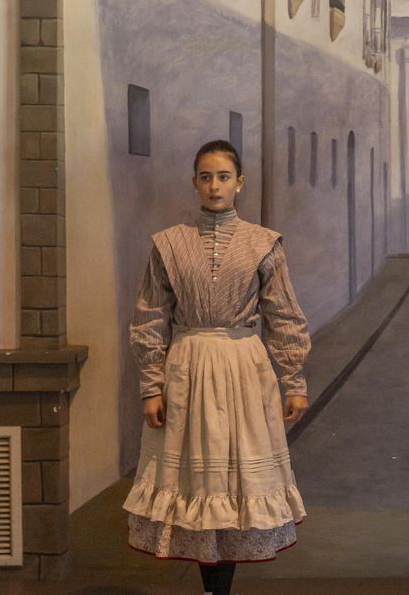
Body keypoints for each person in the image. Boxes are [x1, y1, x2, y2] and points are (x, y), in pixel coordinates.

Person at [124, 140, 311, 595]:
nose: (214, 186)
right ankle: (211, 590)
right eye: (205, 177)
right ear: (194, 183)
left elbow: (284, 315)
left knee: (236, 481)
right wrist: (151, 386)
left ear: (239, 183)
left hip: (244, 370)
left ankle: (222, 588)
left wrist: (294, 381)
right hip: (187, 369)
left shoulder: (263, 244)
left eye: (224, 176)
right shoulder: (169, 244)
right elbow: (150, 317)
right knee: (197, 481)